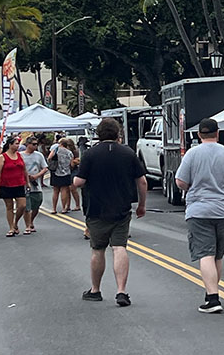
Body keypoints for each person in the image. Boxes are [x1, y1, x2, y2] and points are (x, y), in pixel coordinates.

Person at [175, 118, 224, 314]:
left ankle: (213, 298)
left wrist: (191, 185)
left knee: (205, 254)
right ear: (218, 133)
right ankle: (210, 292)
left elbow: (180, 181)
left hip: (199, 210)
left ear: (199, 134)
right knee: (217, 255)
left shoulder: (192, 154)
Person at [74, 118, 147, 307]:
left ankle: (95, 290)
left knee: (98, 249)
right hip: (121, 208)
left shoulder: (90, 154)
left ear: (99, 134)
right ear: (117, 133)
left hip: (96, 209)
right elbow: (142, 181)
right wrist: (141, 205)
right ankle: (121, 290)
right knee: (119, 247)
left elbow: (79, 182)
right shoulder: (128, 153)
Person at [0, 136, 27, 237]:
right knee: (9, 207)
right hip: (6, 184)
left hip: (19, 183)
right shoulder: (3, 157)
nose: (18, 146)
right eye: (16, 143)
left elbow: (24, 170)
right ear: (10, 145)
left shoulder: (19, 155)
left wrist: (27, 182)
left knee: (22, 205)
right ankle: (11, 228)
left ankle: (15, 222)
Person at [21, 136, 47, 233]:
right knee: (26, 206)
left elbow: (45, 168)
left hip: (36, 183)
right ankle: (28, 224)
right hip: (24, 183)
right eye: (33, 144)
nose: (35, 146)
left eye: (36, 144)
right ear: (28, 145)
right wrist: (26, 176)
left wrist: (37, 176)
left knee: (37, 203)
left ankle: (31, 220)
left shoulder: (39, 155)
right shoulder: (21, 155)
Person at [48, 138, 74, 214]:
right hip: (66, 172)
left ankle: (54, 208)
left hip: (55, 172)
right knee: (64, 190)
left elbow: (49, 158)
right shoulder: (69, 152)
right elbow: (72, 165)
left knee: (55, 191)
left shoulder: (56, 150)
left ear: (60, 143)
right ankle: (63, 208)